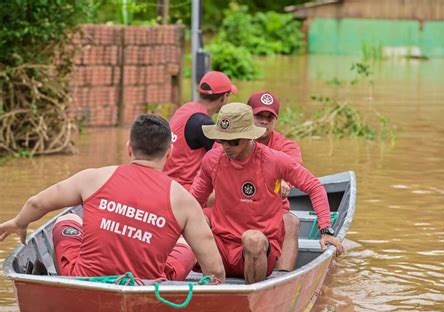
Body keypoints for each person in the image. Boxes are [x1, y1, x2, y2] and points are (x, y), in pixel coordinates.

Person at [0, 115, 225, 282]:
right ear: (169, 152)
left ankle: (68, 279)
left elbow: (36, 203)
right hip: (149, 287)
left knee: (65, 222)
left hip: (85, 281)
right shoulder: (183, 200)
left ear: (129, 148)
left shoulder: (94, 177)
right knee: (185, 244)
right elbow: (214, 270)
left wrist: (19, 224)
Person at [191, 103, 343, 284]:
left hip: (258, 249)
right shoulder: (212, 160)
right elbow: (194, 200)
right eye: (222, 140)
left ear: (248, 137)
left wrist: (326, 230)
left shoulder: (274, 160)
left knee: (252, 239)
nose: (226, 147)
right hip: (220, 246)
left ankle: (257, 295)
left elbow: (314, 186)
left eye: (233, 141)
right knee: (191, 222)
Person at [247, 91, 303, 272]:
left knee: (291, 223)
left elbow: (293, 173)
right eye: (259, 116)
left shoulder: (287, 147)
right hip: (238, 207)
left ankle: (283, 277)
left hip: (273, 211)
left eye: (269, 117)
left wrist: (285, 183)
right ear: (248, 115)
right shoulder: (232, 140)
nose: (264, 121)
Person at [163, 71, 237, 190]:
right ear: (224, 98)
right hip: (182, 189)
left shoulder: (185, 109)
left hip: (165, 182)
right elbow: (228, 157)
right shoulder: (204, 124)